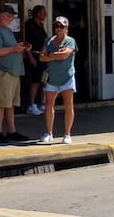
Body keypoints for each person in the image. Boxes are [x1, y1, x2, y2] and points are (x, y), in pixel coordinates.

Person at [0, 4, 31, 143]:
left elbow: (11, 49)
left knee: (10, 104)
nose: (11, 19)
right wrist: (14, 48)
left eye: (13, 17)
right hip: (3, 72)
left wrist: (22, 47)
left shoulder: (7, 30)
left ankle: (12, 131)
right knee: (2, 103)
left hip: (13, 71)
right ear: (1, 15)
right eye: (9, 16)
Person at [38, 15, 78, 144]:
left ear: (66, 28)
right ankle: (48, 132)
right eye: (56, 26)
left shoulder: (70, 41)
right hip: (52, 77)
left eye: (61, 26)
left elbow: (65, 55)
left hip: (67, 76)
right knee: (49, 104)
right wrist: (54, 55)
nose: (58, 28)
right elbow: (41, 57)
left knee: (68, 104)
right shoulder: (48, 40)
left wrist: (50, 55)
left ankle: (67, 134)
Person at [23, 5, 48, 115]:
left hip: (42, 56)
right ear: (37, 13)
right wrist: (31, 57)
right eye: (43, 13)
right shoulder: (30, 25)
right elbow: (27, 42)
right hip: (33, 55)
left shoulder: (41, 25)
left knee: (44, 80)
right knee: (35, 81)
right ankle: (31, 105)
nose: (45, 15)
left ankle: (42, 103)